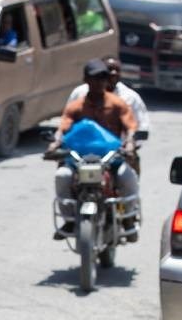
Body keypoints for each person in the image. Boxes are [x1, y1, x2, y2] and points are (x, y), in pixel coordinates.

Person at [48, 59, 141, 242]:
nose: (98, 82)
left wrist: (130, 143)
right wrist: (54, 143)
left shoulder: (118, 104)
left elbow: (130, 127)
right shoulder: (76, 106)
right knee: (62, 176)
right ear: (85, 79)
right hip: (80, 160)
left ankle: (128, 218)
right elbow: (63, 128)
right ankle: (69, 220)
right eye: (94, 78)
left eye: (102, 78)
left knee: (127, 177)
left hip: (110, 159)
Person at [66, 57, 149, 143]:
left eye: (117, 70)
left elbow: (139, 125)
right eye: (110, 69)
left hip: (116, 150)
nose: (113, 73)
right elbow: (67, 122)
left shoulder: (129, 98)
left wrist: (131, 145)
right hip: (83, 148)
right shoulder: (80, 93)